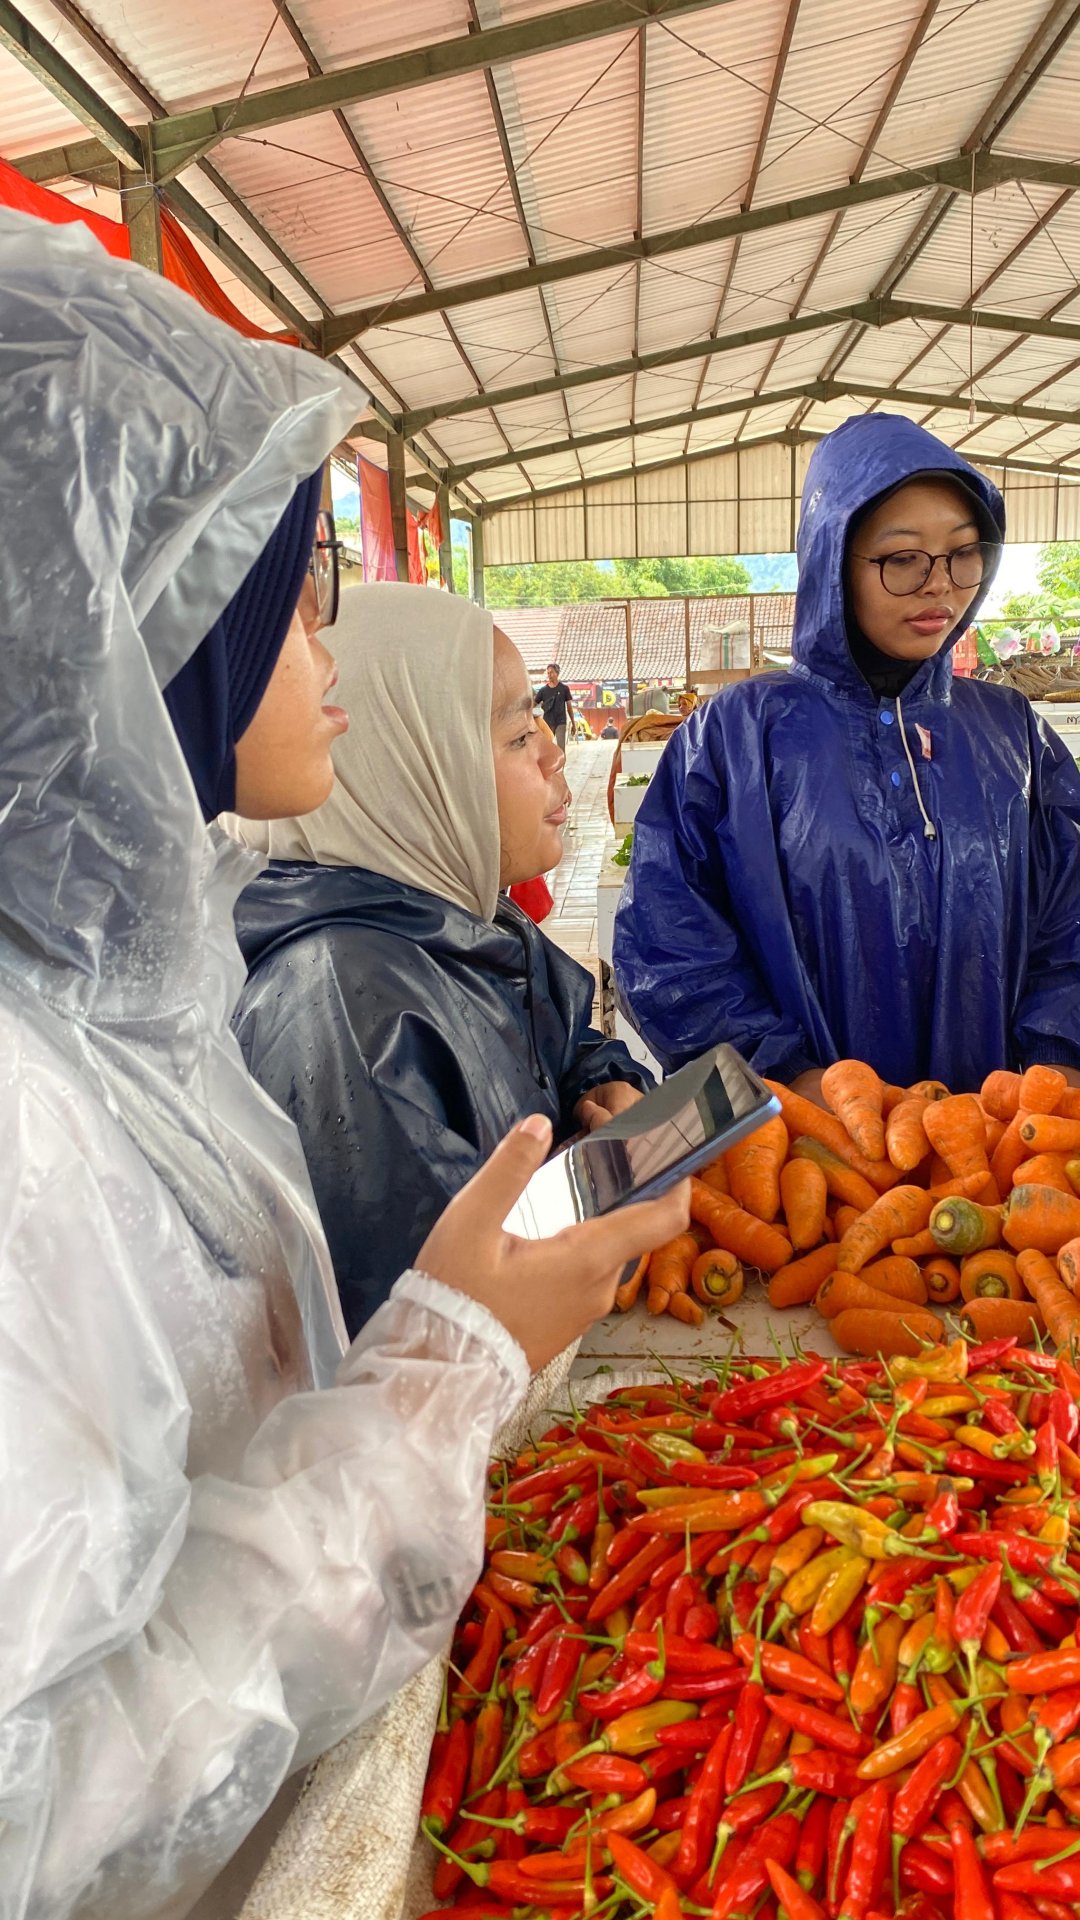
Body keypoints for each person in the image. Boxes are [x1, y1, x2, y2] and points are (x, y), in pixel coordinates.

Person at [0, 209, 688, 1920]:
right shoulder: (29, 1119)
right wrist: (437, 1378)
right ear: (122, 615)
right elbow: (42, 1810)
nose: (335, 657)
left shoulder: (118, 1006)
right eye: (292, 598)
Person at [227, 585, 653, 1336]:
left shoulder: (461, 917)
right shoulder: (346, 1009)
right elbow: (441, 1331)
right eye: (518, 736)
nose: (554, 753)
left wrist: (604, 1086)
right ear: (410, 768)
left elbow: (555, 1045)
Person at [613, 413, 1080, 1094]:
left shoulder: (1012, 734)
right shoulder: (735, 738)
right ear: (834, 562)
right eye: (902, 558)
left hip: (998, 1132)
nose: (941, 584)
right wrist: (790, 1080)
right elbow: (671, 942)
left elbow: (1070, 918)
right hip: (807, 1139)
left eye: (963, 552)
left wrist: (1055, 1065)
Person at [534, 660, 576, 748]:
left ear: (557, 673)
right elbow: (533, 704)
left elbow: (569, 707)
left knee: (561, 748)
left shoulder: (564, 689)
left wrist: (573, 723)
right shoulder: (543, 691)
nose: (549, 675)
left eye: (552, 672)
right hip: (547, 722)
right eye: (548, 673)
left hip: (561, 721)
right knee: (547, 747)